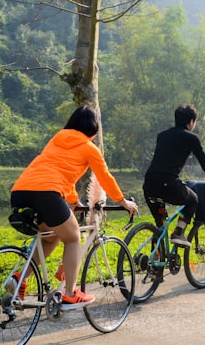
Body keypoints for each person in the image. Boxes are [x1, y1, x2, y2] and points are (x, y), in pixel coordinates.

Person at [10, 106, 138, 310]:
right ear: (94, 131)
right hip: (47, 193)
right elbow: (105, 177)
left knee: (51, 236)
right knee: (73, 237)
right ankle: (70, 293)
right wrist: (123, 201)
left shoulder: (57, 139)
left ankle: (18, 279)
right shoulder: (89, 147)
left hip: (20, 192)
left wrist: (74, 201)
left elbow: (62, 173)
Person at [143, 104, 205, 247]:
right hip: (169, 184)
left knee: (160, 226)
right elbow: (204, 163)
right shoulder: (191, 138)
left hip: (149, 184)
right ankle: (178, 231)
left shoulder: (162, 136)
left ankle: (155, 260)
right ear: (191, 122)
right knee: (193, 200)